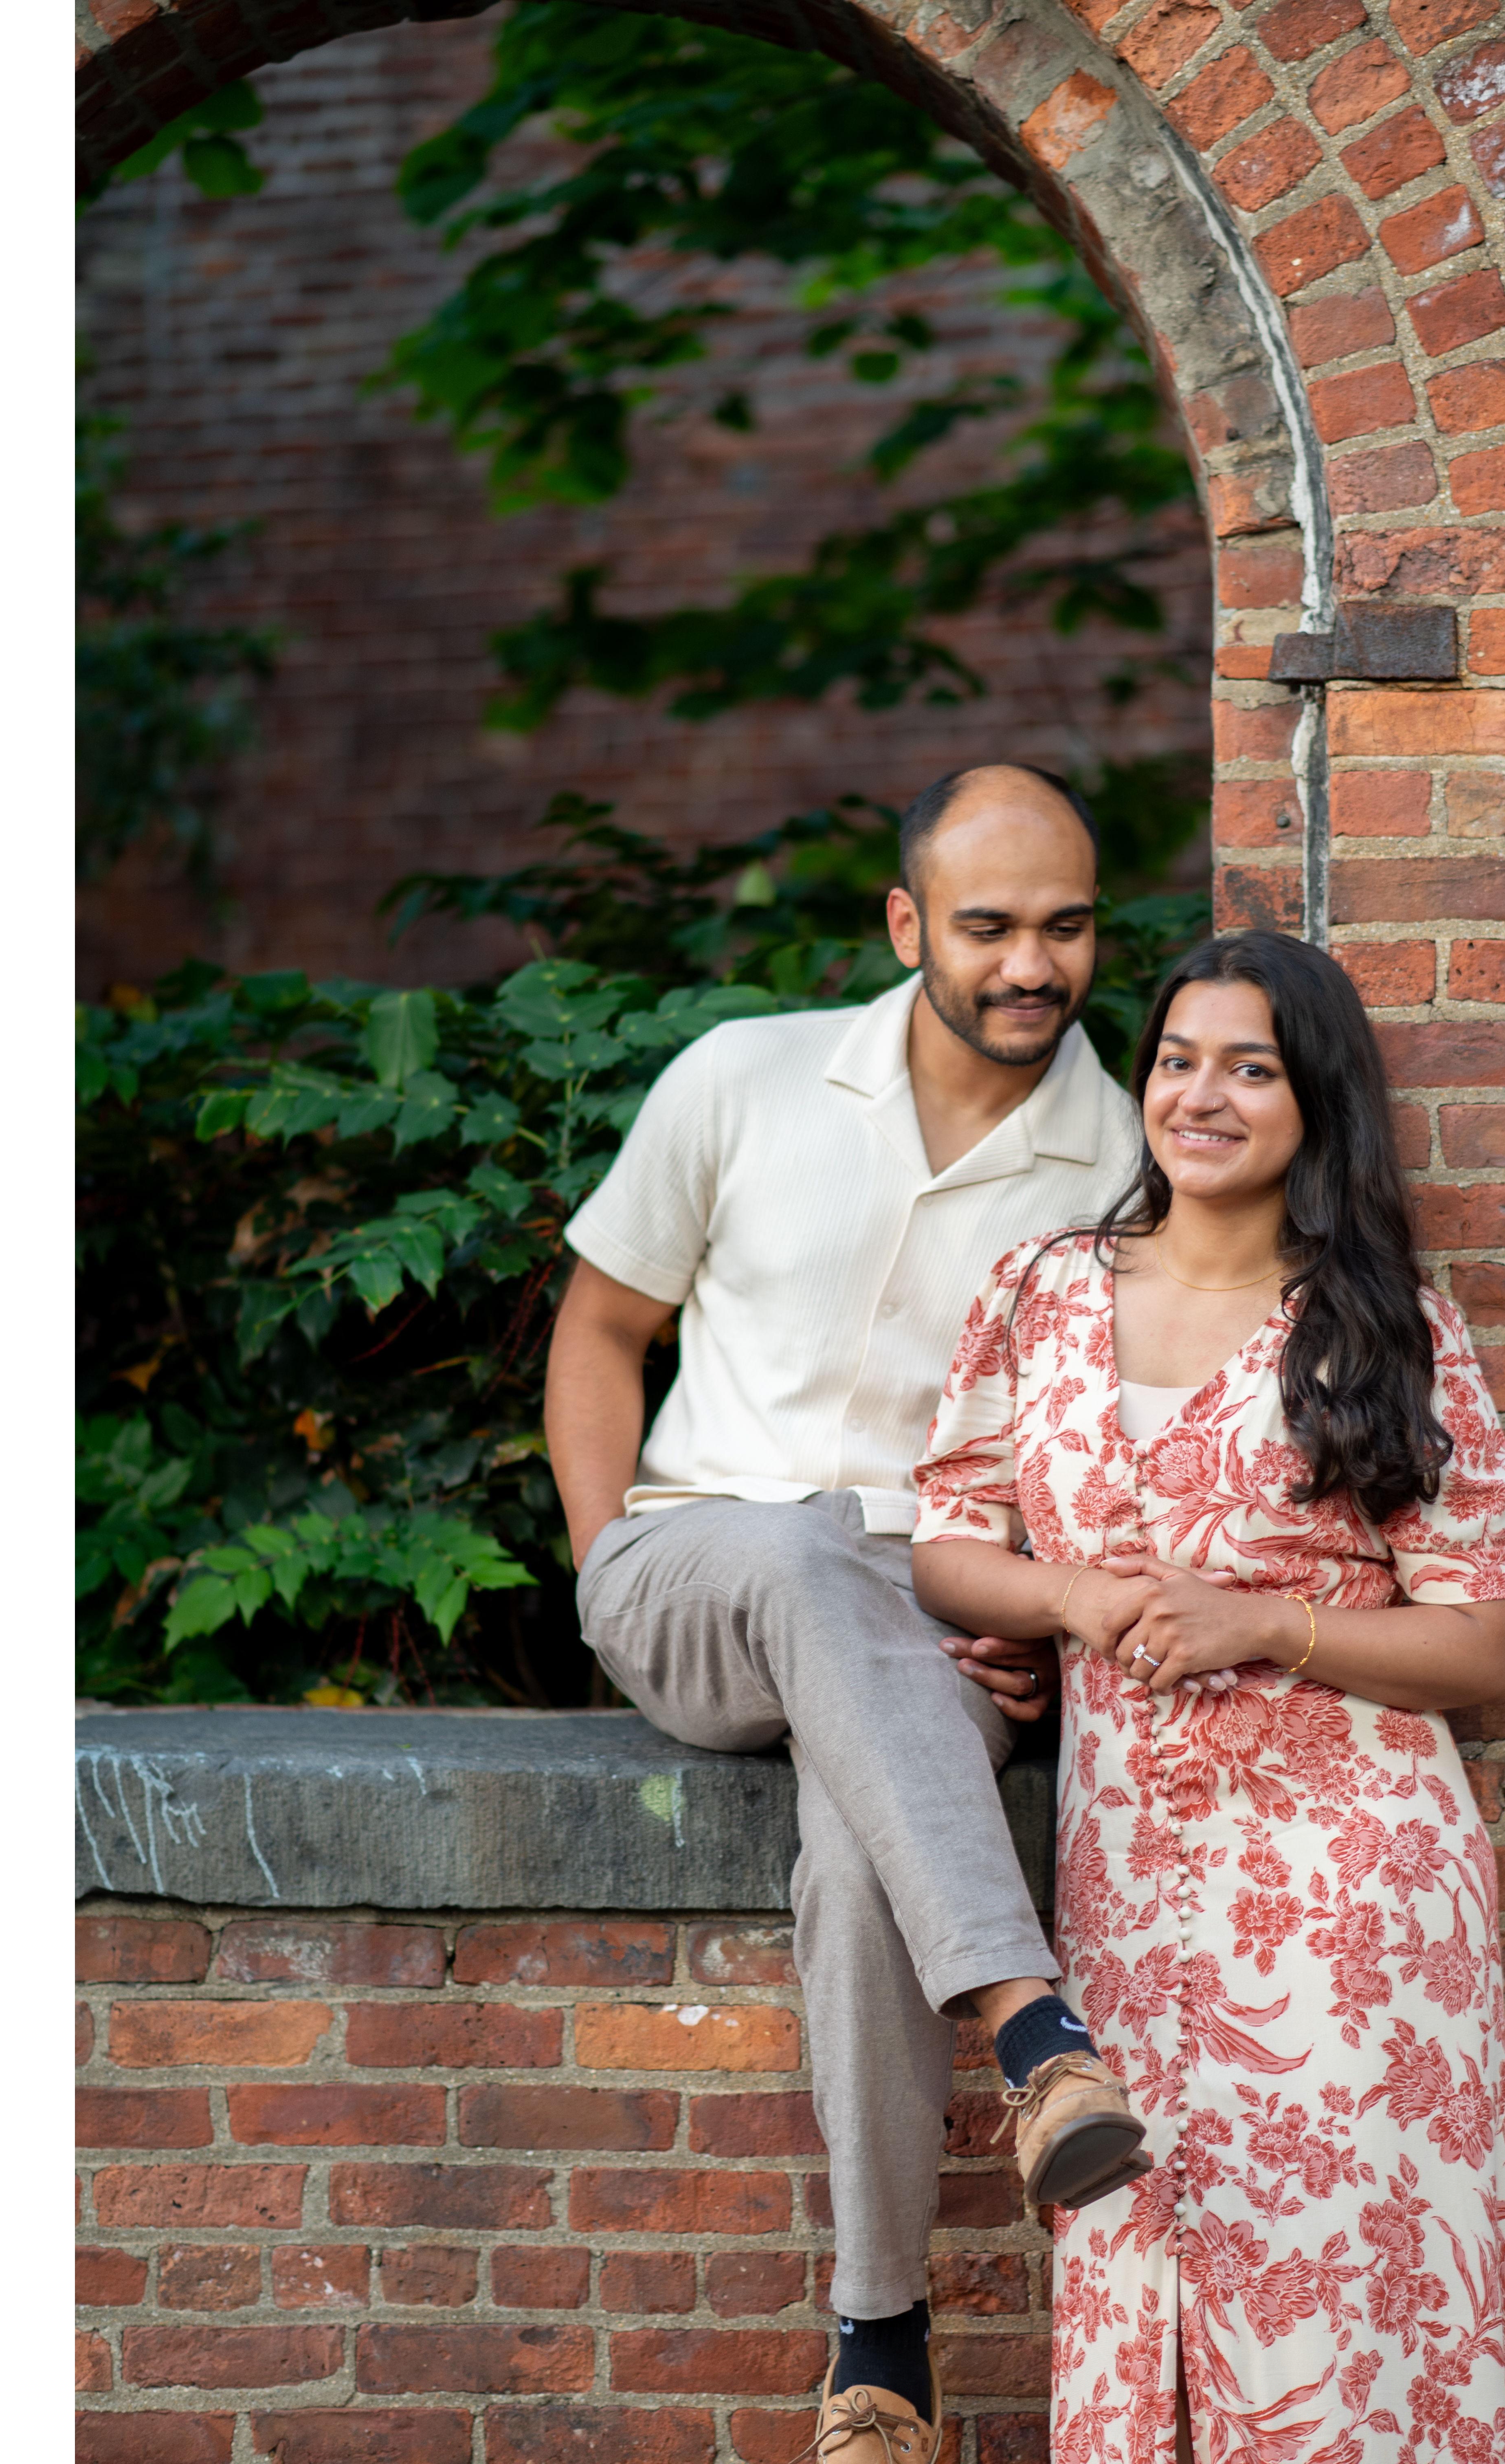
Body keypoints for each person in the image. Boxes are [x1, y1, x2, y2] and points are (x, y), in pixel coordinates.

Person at [547, 763, 1158, 2464]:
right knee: (805, 1550)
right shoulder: (743, 1078)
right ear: (906, 925)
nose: (1032, 964)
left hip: (935, 1614)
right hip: (699, 1566)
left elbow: (1115, 1443)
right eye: (990, 926)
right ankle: (1037, 2032)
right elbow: (601, 1329)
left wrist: (1037, 1623)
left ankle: (880, 2348)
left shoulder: (1125, 1162)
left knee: (855, 1860)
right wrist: (599, 1555)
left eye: (1067, 926)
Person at [911, 928, 1505, 2464]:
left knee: (1343, 2297)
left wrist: (1268, 1621)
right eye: (1178, 1062)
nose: (1200, 1097)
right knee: (1140, 2256)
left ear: (1315, 1101)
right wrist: (1068, 1601)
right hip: (1130, 1876)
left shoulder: (1382, 1326)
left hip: (1348, 1889)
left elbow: (1487, 1643)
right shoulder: (1042, 1291)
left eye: (1249, 1069)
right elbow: (946, 1543)